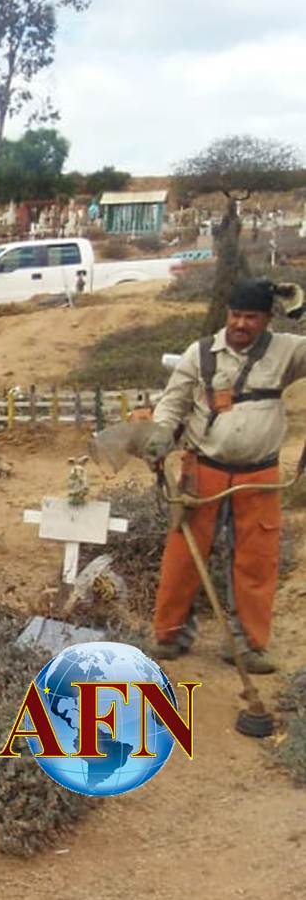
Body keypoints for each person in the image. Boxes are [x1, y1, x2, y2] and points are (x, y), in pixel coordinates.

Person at [145, 278, 306, 672]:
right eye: (236, 315)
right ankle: (170, 635)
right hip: (204, 471)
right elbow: (173, 402)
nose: (241, 324)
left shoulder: (286, 351)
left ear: (267, 319)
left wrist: (302, 312)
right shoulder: (200, 353)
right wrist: (161, 433)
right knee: (184, 556)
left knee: (256, 561)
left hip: (259, 475)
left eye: (251, 317)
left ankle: (246, 645)